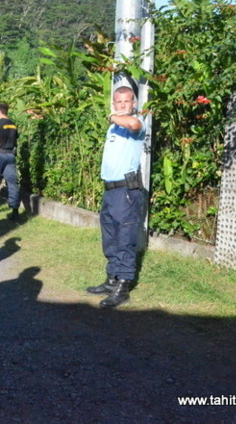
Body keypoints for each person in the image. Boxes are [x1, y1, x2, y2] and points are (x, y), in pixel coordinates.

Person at [86, 85, 145, 309]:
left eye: (126, 102)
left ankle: (124, 285)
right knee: (109, 236)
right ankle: (111, 279)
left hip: (126, 192)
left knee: (125, 238)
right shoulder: (113, 129)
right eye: (118, 102)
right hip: (110, 190)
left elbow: (132, 123)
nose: (122, 106)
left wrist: (112, 116)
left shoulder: (137, 124)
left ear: (134, 104)